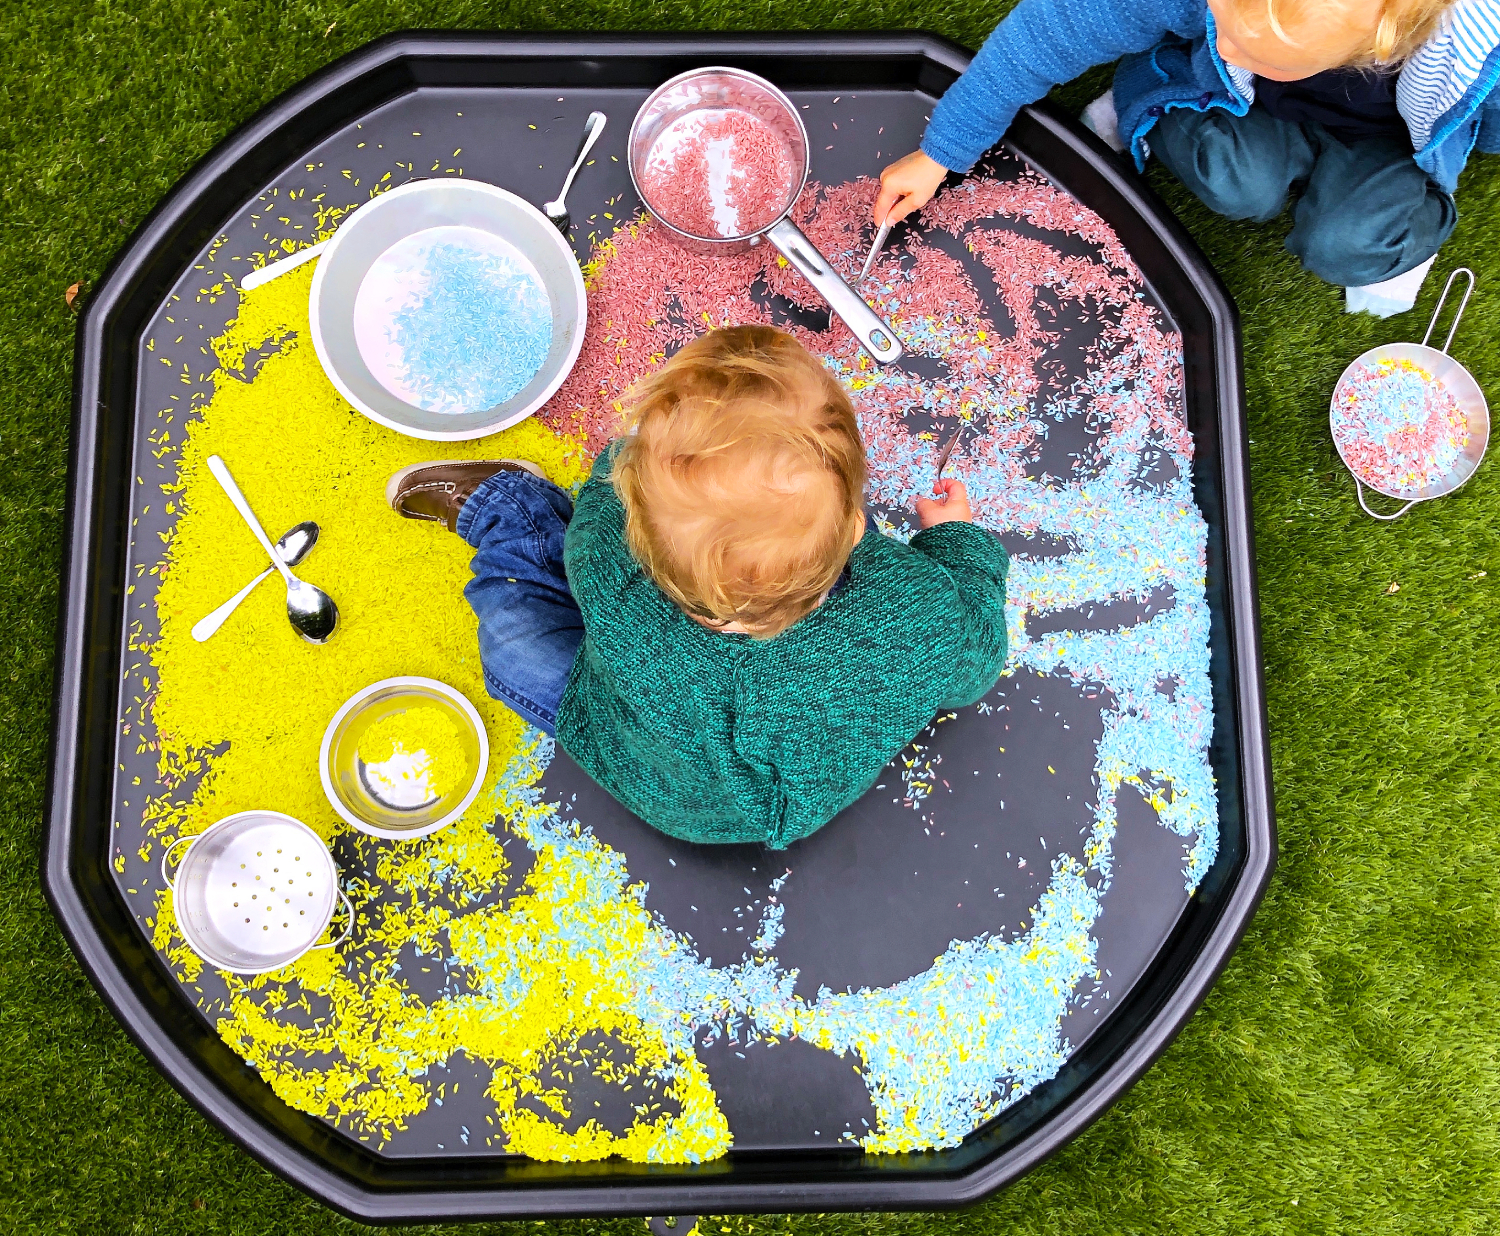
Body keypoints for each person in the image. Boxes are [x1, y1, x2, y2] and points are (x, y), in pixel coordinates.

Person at [385, 325, 1010, 849]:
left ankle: (511, 511)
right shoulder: (919, 609)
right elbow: (977, 666)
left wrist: (628, 466)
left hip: (649, 768)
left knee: (513, 643)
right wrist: (953, 541)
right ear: (852, 526)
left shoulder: (615, 577)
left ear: (638, 534)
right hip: (741, 813)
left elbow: (602, 497)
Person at [875, 0, 1500, 316]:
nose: (1222, 42)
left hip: (1392, 138)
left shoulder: (1469, 51)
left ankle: (1395, 221)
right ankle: (1146, 101)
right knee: (1232, 180)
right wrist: (942, 152)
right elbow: (1050, 31)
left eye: (1250, 46)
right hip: (1245, 101)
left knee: (1351, 244)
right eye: (1221, 22)